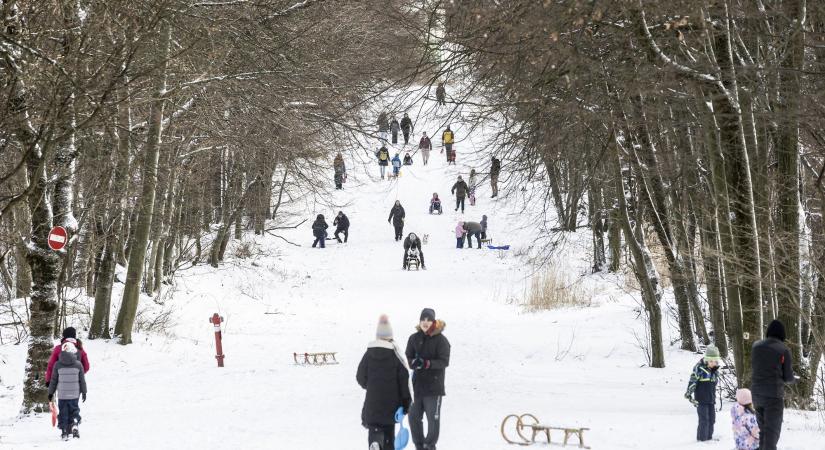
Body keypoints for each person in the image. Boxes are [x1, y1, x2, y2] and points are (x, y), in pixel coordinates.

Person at [357, 315, 412, 450]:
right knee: (388, 435)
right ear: (390, 336)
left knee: (374, 428)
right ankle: (384, 443)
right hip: (390, 405)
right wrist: (406, 404)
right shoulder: (396, 355)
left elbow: (360, 377)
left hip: (373, 403)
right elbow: (404, 381)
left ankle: (375, 441)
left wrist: (371, 386)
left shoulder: (369, 354)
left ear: (377, 336)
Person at [406, 308, 450, 450]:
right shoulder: (414, 338)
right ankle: (419, 445)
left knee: (433, 420)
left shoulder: (441, 340)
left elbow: (444, 361)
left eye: (428, 320)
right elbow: (407, 358)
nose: (425, 322)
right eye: (423, 320)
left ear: (433, 322)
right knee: (413, 417)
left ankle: (429, 446)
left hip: (433, 388)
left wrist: (427, 364)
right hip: (416, 387)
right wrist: (413, 362)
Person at [751, 320, 797, 450]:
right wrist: (794, 379)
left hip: (756, 395)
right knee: (771, 433)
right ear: (782, 334)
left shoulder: (756, 346)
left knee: (762, 432)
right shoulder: (783, 349)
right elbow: (788, 377)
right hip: (773, 396)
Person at [48, 341, 87, 440]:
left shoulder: (57, 364)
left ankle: (64, 430)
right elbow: (82, 380)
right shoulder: (78, 364)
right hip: (74, 394)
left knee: (63, 412)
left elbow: (53, 380)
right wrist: (84, 392)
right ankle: (74, 423)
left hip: (62, 394)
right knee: (74, 410)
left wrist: (51, 393)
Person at [685, 344, 721, 442]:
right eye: (711, 361)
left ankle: (709, 438)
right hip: (701, 400)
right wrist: (689, 393)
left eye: (715, 361)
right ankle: (702, 440)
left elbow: (714, 384)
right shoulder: (699, 369)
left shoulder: (714, 371)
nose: (713, 363)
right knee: (704, 420)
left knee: (712, 419)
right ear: (706, 360)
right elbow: (693, 381)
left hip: (711, 399)